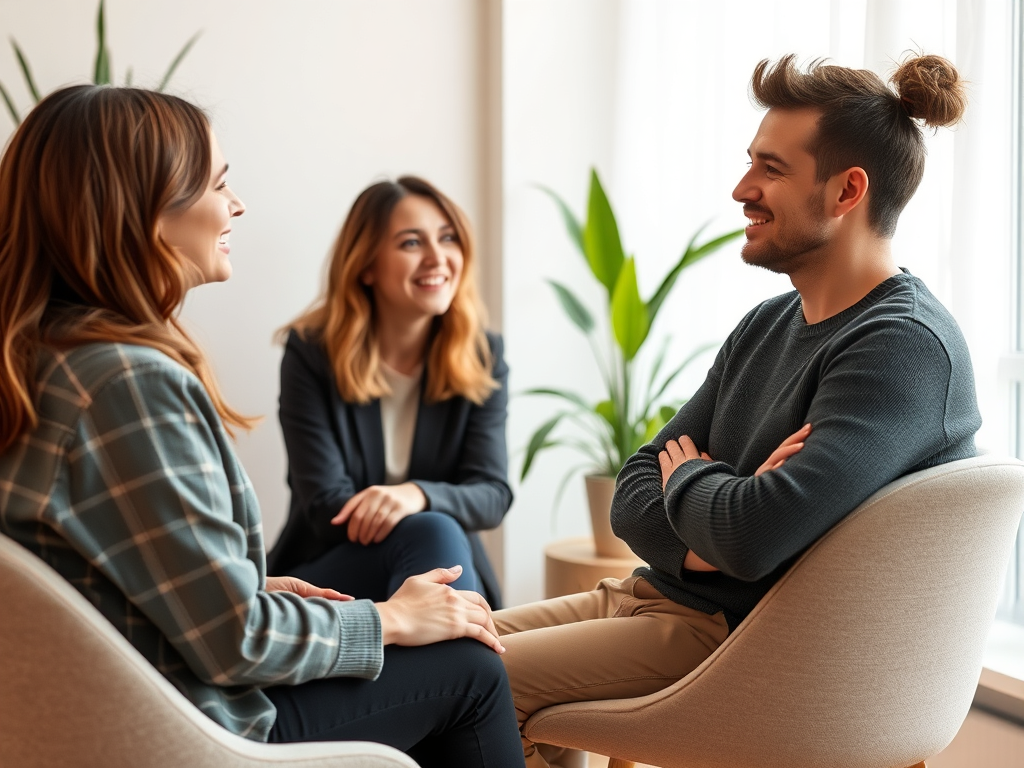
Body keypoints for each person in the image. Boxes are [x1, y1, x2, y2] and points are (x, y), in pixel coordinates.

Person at [0, 85, 524, 768]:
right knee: (472, 671)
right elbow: (236, 637)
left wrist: (257, 584)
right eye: (219, 184)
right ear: (149, 213)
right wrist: (392, 619)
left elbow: (120, 570)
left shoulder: (49, 357)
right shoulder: (128, 384)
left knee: (432, 533)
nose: (237, 205)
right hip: (199, 720)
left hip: (153, 680)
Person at [493, 53, 981, 768]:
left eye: (771, 169)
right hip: (651, 598)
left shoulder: (901, 347)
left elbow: (751, 538)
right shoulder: (767, 322)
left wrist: (699, 486)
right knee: (437, 647)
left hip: (729, 637)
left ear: (848, 191)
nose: (741, 189)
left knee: (470, 683)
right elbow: (632, 494)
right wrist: (725, 506)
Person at [266, 176, 511, 608]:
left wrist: (415, 494)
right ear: (366, 265)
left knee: (437, 532)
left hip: (443, 563)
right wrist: (423, 516)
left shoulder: (482, 354)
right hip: (333, 572)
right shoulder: (311, 353)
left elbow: (491, 493)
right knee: (435, 530)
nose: (438, 257)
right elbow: (325, 505)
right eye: (411, 243)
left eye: (448, 238)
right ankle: (471, 673)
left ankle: (459, 669)